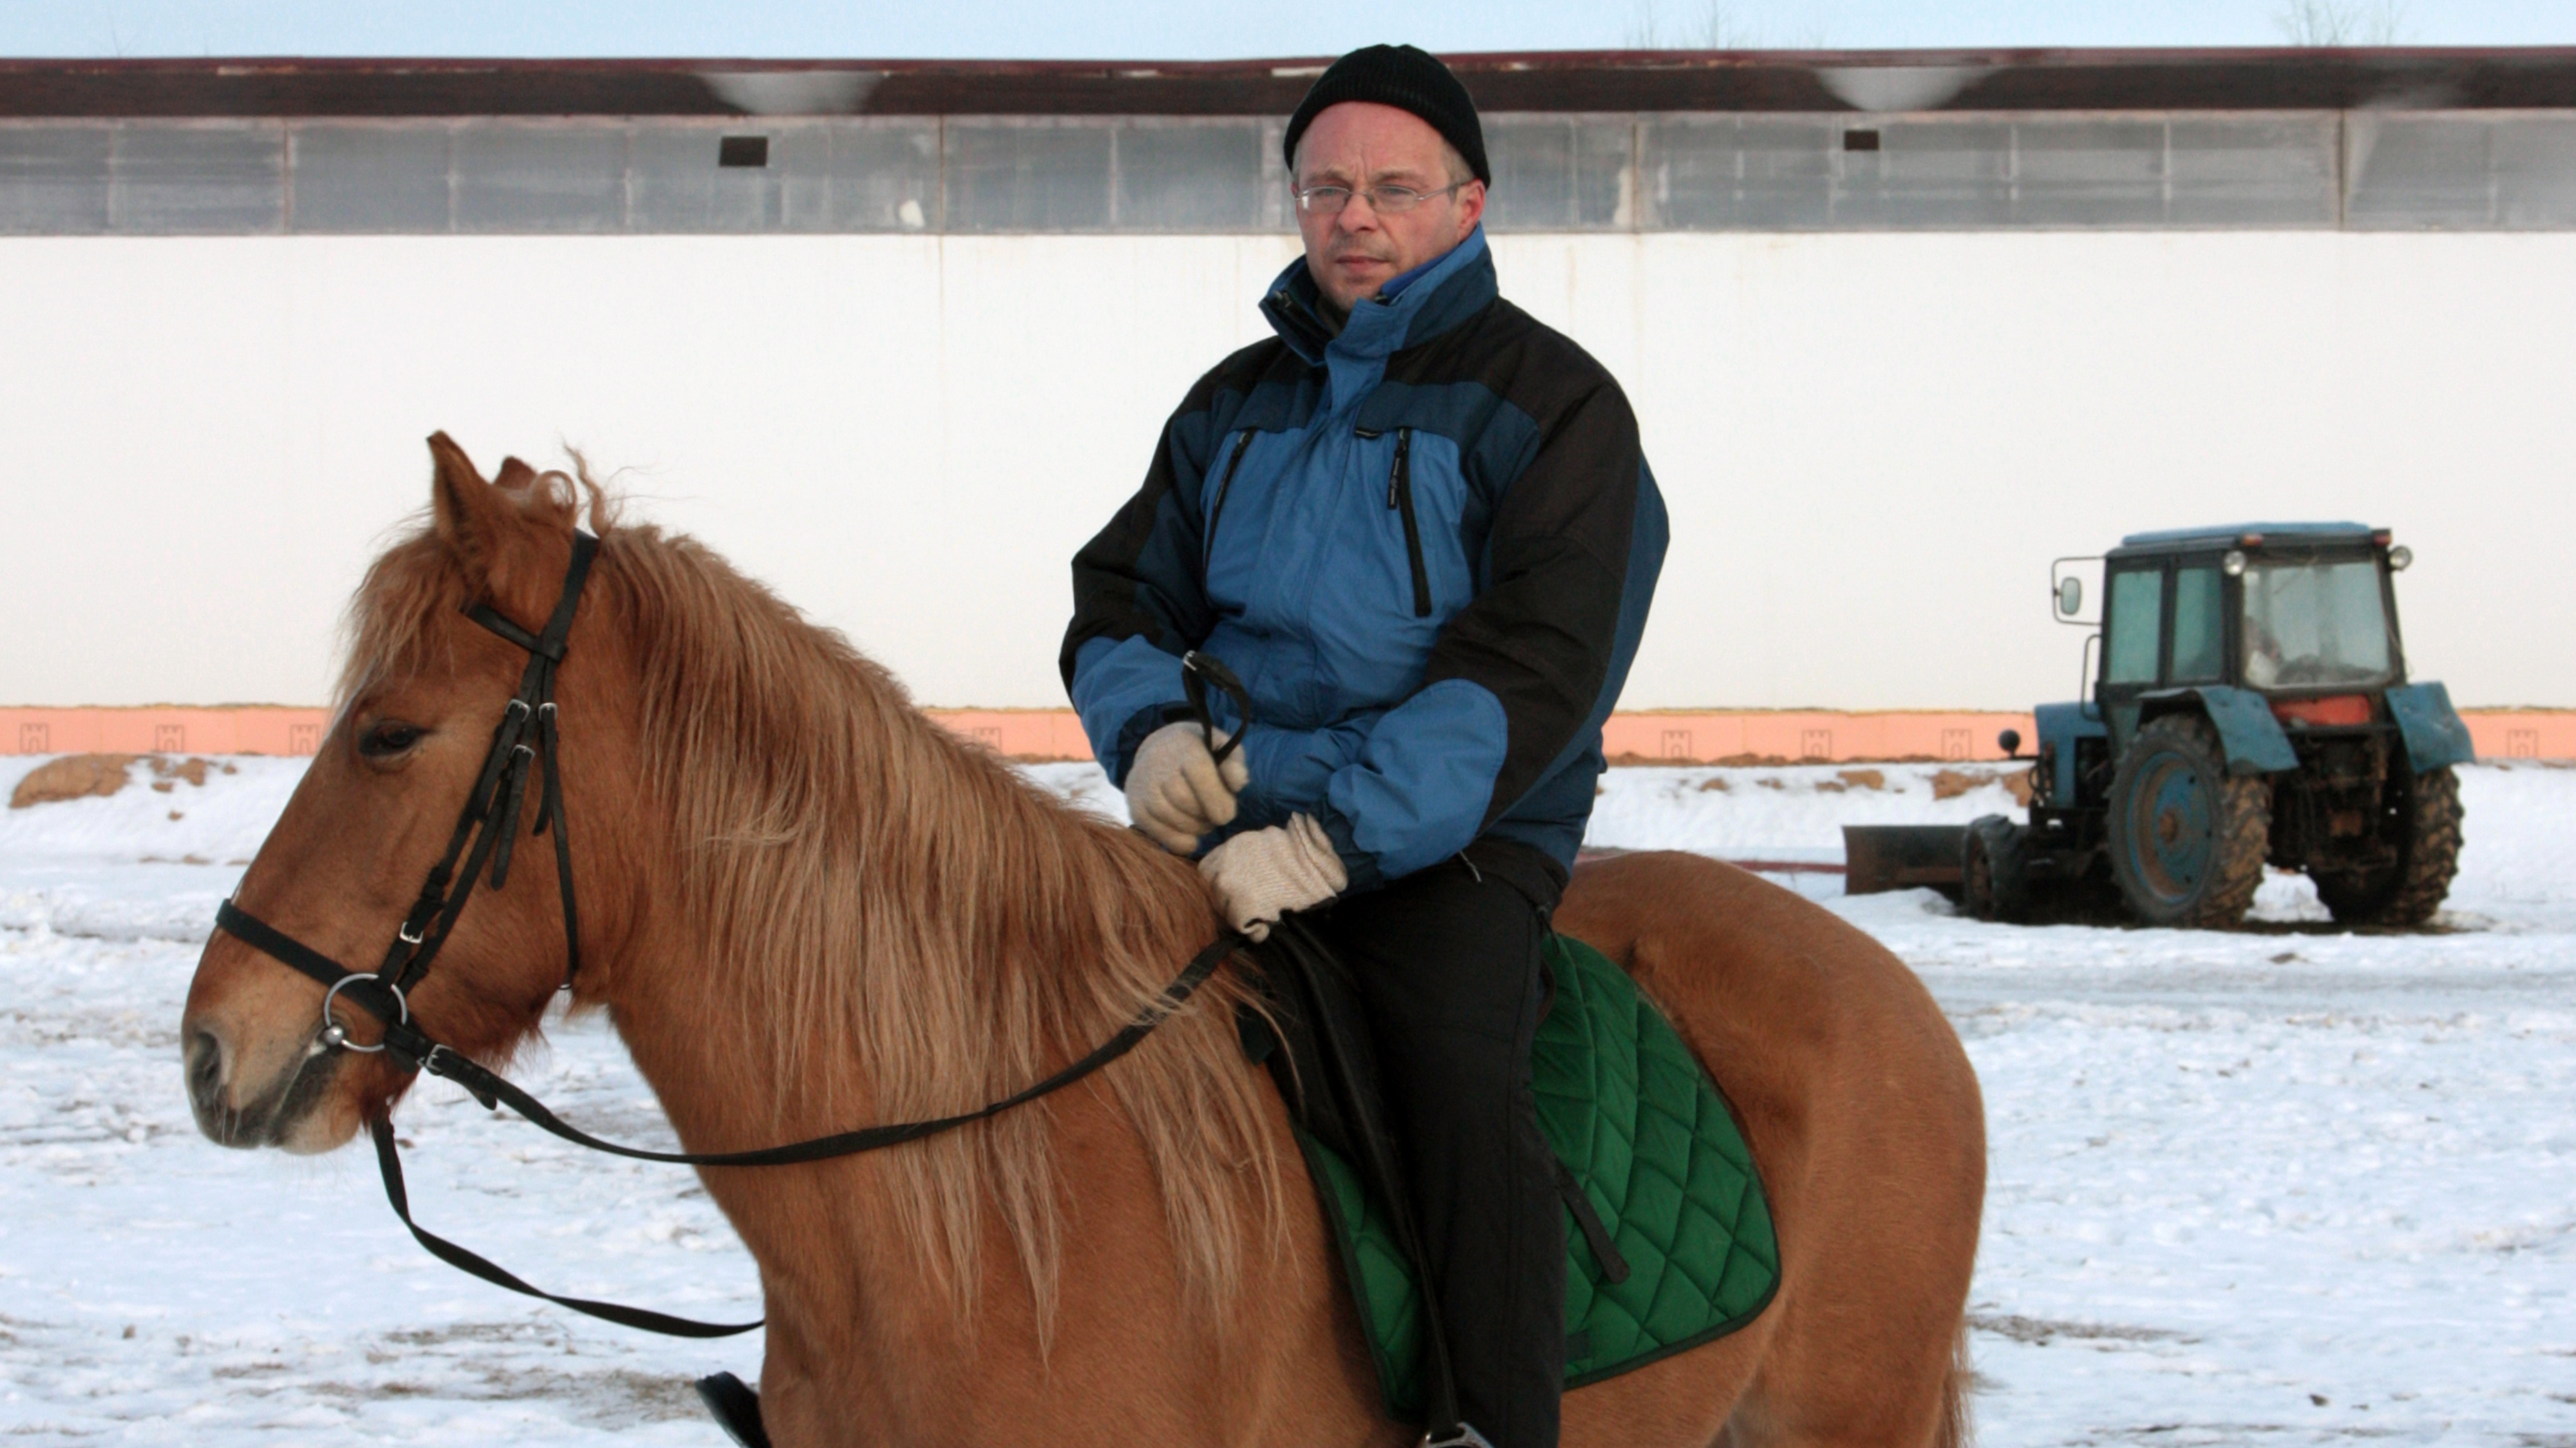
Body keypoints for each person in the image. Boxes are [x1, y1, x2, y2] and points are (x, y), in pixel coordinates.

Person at [1060, 43, 1667, 1448]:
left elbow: (1531, 671)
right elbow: (1121, 596)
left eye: (1393, 187)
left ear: (1468, 203)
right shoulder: (1232, 403)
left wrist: (1333, 842)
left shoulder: (1555, 405)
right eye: (1324, 188)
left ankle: (1487, 1421)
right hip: (1228, 819)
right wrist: (1148, 735)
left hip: (1460, 835)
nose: (1354, 216)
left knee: (1451, 1076)